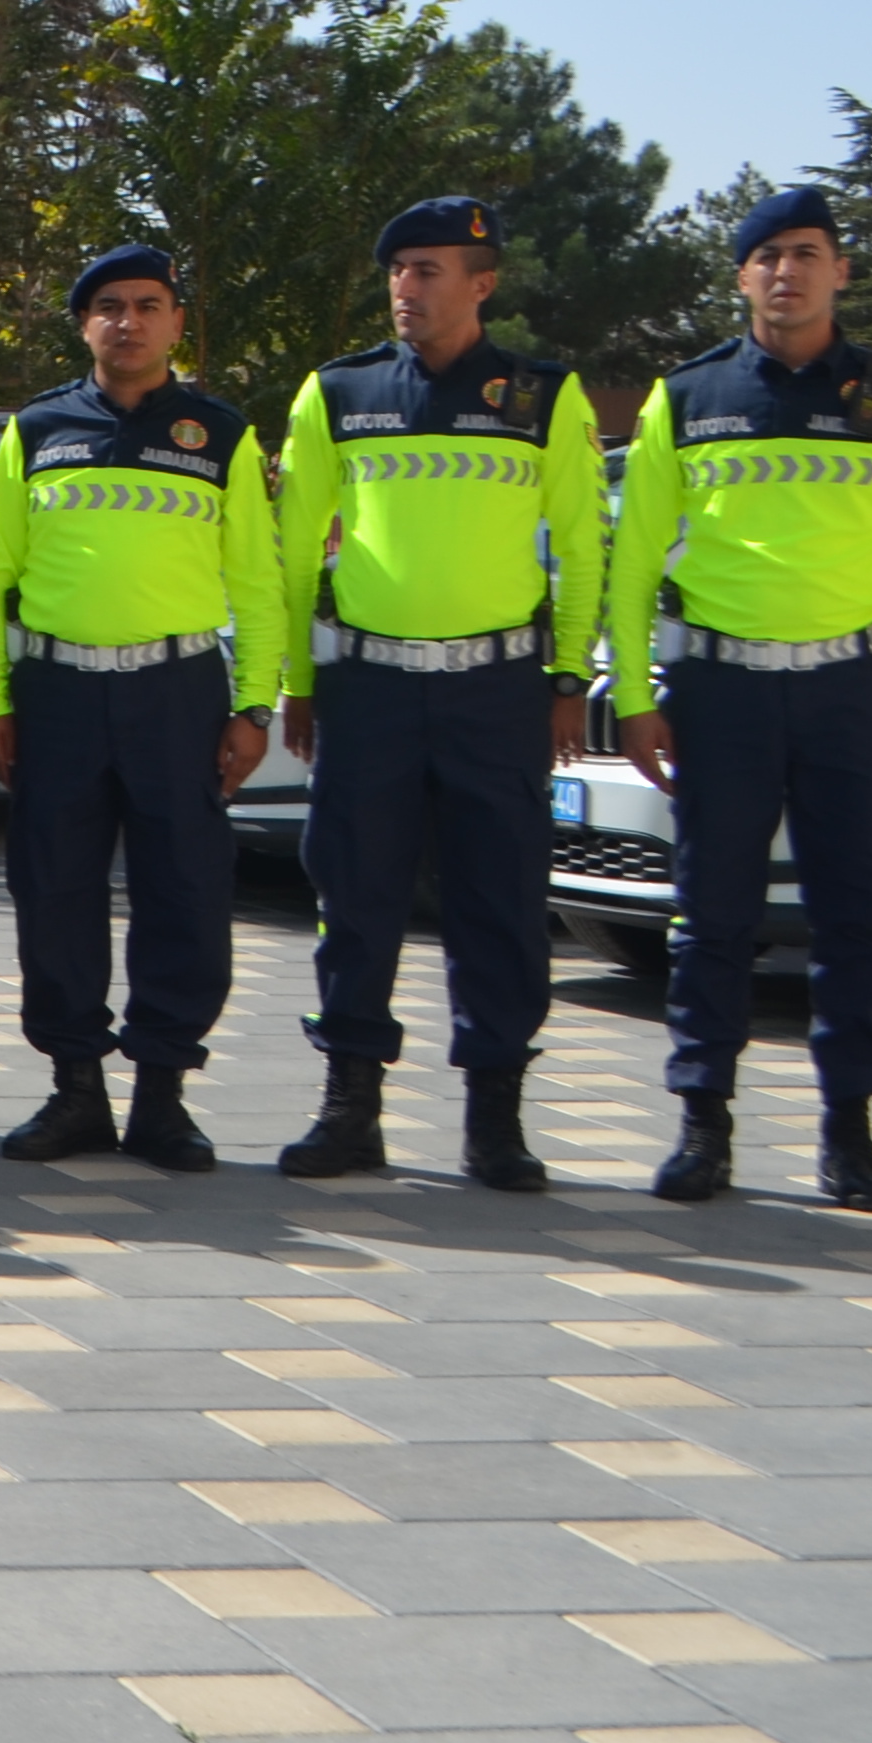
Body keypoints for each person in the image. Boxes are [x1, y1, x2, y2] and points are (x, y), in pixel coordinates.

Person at [614, 188, 872, 1210]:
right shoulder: (679, 399)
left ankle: (848, 1137)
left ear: (838, 271)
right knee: (709, 918)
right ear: (739, 276)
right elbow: (631, 564)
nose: (786, 271)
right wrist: (635, 697)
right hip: (720, 691)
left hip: (852, 694)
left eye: (806, 253)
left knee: (855, 920)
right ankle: (700, 1126)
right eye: (766, 254)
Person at [270, 196, 607, 1187]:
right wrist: (296, 679)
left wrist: (565, 677)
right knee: (352, 895)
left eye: (426, 270)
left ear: (481, 282)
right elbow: (293, 551)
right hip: (368, 684)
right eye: (395, 271)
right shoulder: (336, 393)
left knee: (497, 902)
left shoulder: (542, 395)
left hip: (495, 690)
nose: (404, 289)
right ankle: (347, 1108)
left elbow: (582, 547)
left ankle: (492, 1117)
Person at [0, 248, 281, 1175]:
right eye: (109, 307)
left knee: (184, 891)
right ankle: (75, 1088)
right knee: (54, 890)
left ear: (177, 322)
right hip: (58, 692)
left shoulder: (218, 433)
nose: (129, 323)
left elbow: (258, 585)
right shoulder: (40, 428)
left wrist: (254, 704)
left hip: (176, 693)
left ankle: (161, 1096)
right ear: (84, 324)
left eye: (149, 306)